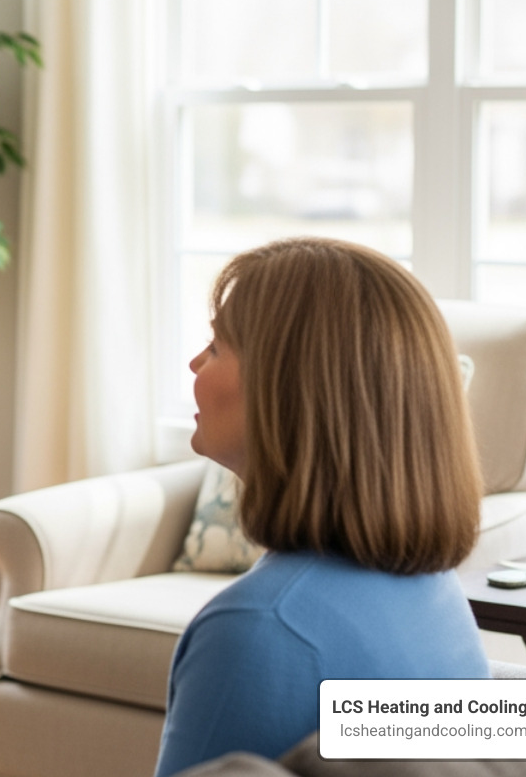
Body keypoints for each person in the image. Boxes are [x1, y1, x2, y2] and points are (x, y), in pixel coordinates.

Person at [154, 237, 491, 777]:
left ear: (283, 387)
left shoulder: (257, 630)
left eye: (216, 347)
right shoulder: (432, 587)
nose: (196, 362)